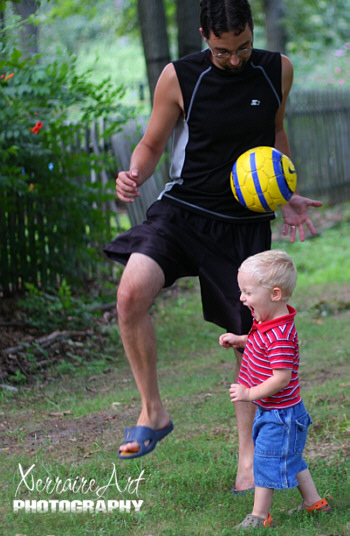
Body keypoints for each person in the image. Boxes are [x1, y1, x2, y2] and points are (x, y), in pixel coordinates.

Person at [104, 0, 323, 491]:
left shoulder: (275, 70)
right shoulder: (179, 77)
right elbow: (152, 143)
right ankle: (153, 411)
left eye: (243, 46)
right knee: (131, 293)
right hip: (186, 210)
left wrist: (285, 195)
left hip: (243, 224)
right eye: (223, 51)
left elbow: (277, 133)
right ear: (205, 36)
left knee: (256, 343)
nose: (235, 59)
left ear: (251, 32)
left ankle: (248, 459)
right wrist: (135, 172)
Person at [219, 250, 331, 529]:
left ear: (275, 294)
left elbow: (281, 377)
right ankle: (315, 503)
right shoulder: (268, 324)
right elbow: (259, 343)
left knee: (265, 462)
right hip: (277, 411)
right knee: (292, 459)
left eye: (247, 292)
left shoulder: (279, 334)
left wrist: (249, 395)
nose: (242, 298)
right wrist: (240, 339)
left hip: (281, 415)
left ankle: (259, 516)